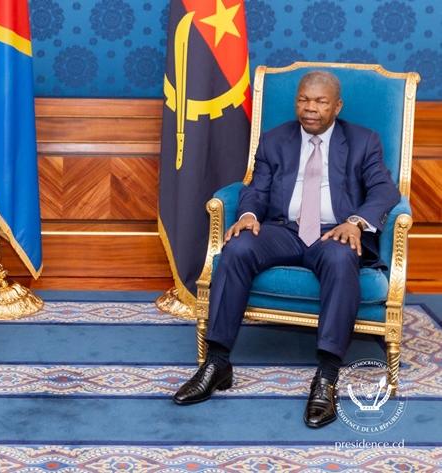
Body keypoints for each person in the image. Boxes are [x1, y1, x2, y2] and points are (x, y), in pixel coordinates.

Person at [172, 71, 401, 428]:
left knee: (342, 257)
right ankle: (217, 363)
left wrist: (355, 222)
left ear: (337, 106)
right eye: (303, 100)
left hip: (333, 232)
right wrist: (248, 215)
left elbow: (385, 191)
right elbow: (257, 188)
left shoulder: (363, 141)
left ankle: (326, 376)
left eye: (320, 102)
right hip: (284, 229)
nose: (310, 108)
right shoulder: (275, 140)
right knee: (237, 248)